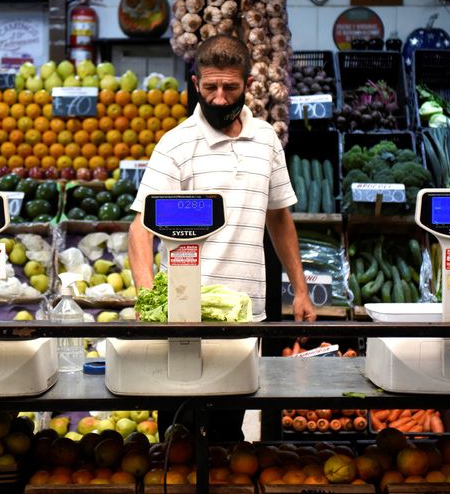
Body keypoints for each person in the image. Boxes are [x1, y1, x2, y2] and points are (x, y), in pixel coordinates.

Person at [128, 34, 315, 441]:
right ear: (195, 84)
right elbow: (140, 227)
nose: (217, 97)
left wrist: (300, 289)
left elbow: (279, 217)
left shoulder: (266, 140)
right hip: (183, 319)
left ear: (247, 85)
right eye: (209, 87)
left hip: (246, 319)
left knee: (229, 434)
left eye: (229, 87)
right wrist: (145, 297)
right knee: (179, 435)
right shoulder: (175, 144)